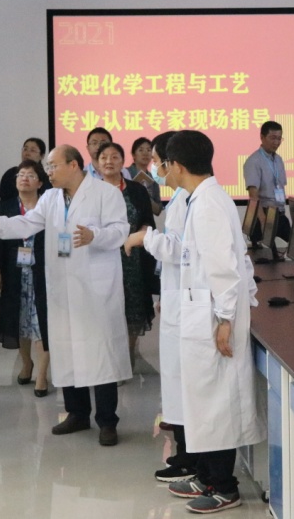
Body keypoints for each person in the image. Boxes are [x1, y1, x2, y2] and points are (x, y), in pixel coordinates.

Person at [0, 145, 130, 446]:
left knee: (100, 353)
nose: (49, 172)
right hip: (61, 286)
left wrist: (95, 236)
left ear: (74, 165)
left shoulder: (106, 193)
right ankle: (77, 413)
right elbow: (28, 223)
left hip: (95, 289)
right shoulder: (51, 198)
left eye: (53, 166)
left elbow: (120, 231)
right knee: (66, 349)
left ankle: (107, 421)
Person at [161, 130, 264, 514]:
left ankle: (224, 486)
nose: (163, 171)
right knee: (203, 401)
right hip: (202, 313)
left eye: (165, 164)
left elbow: (224, 270)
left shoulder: (207, 205)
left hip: (213, 318)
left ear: (177, 165)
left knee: (216, 404)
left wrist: (225, 320)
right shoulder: (201, 199)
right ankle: (205, 475)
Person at [123, 131, 197, 482]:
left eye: (155, 160)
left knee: (186, 387)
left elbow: (180, 250)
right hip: (178, 298)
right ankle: (184, 453)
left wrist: (144, 237)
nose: (152, 167)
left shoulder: (194, 201)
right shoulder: (181, 197)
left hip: (190, 304)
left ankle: (192, 459)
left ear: (173, 163)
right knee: (178, 385)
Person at [0, 159, 51, 395]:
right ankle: (27, 364)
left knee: (41, 323)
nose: (24, 178)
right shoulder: (6, 205)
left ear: (40, 183)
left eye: (30, 175)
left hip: (43, 272)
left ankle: (42, 376)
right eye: (21, 175)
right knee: (20, 321)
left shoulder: (47, 206)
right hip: (15, 272)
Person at [96, 141, 157, 370]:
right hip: (101, 258)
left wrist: (137, 236)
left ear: (123, 162)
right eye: (104, 157)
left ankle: (127, 352)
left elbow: (147, 222)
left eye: (114, 157)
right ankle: (110, 356)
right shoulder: (91, 191)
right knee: (106, 309)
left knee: (132, 307)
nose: (109, 161)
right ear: (97, 163)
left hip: (132, 258)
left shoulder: (136, 190)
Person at [242, 121, 290, 251]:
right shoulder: (254, 161)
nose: (276, 142)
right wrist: (263, 221)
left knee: (292, 250)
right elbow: (253, 195)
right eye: (273, 138)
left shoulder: (278, 160)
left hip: (279, 213)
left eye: (279, 138)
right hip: (264, 215)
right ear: (262, 137)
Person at [127, 136, 163, 214]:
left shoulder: (153, 178)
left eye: (149, 150)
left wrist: (146, 197)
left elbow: (158, 211)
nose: (145, 153)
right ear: (133, 155)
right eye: (141, 150)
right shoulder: (125, 173)